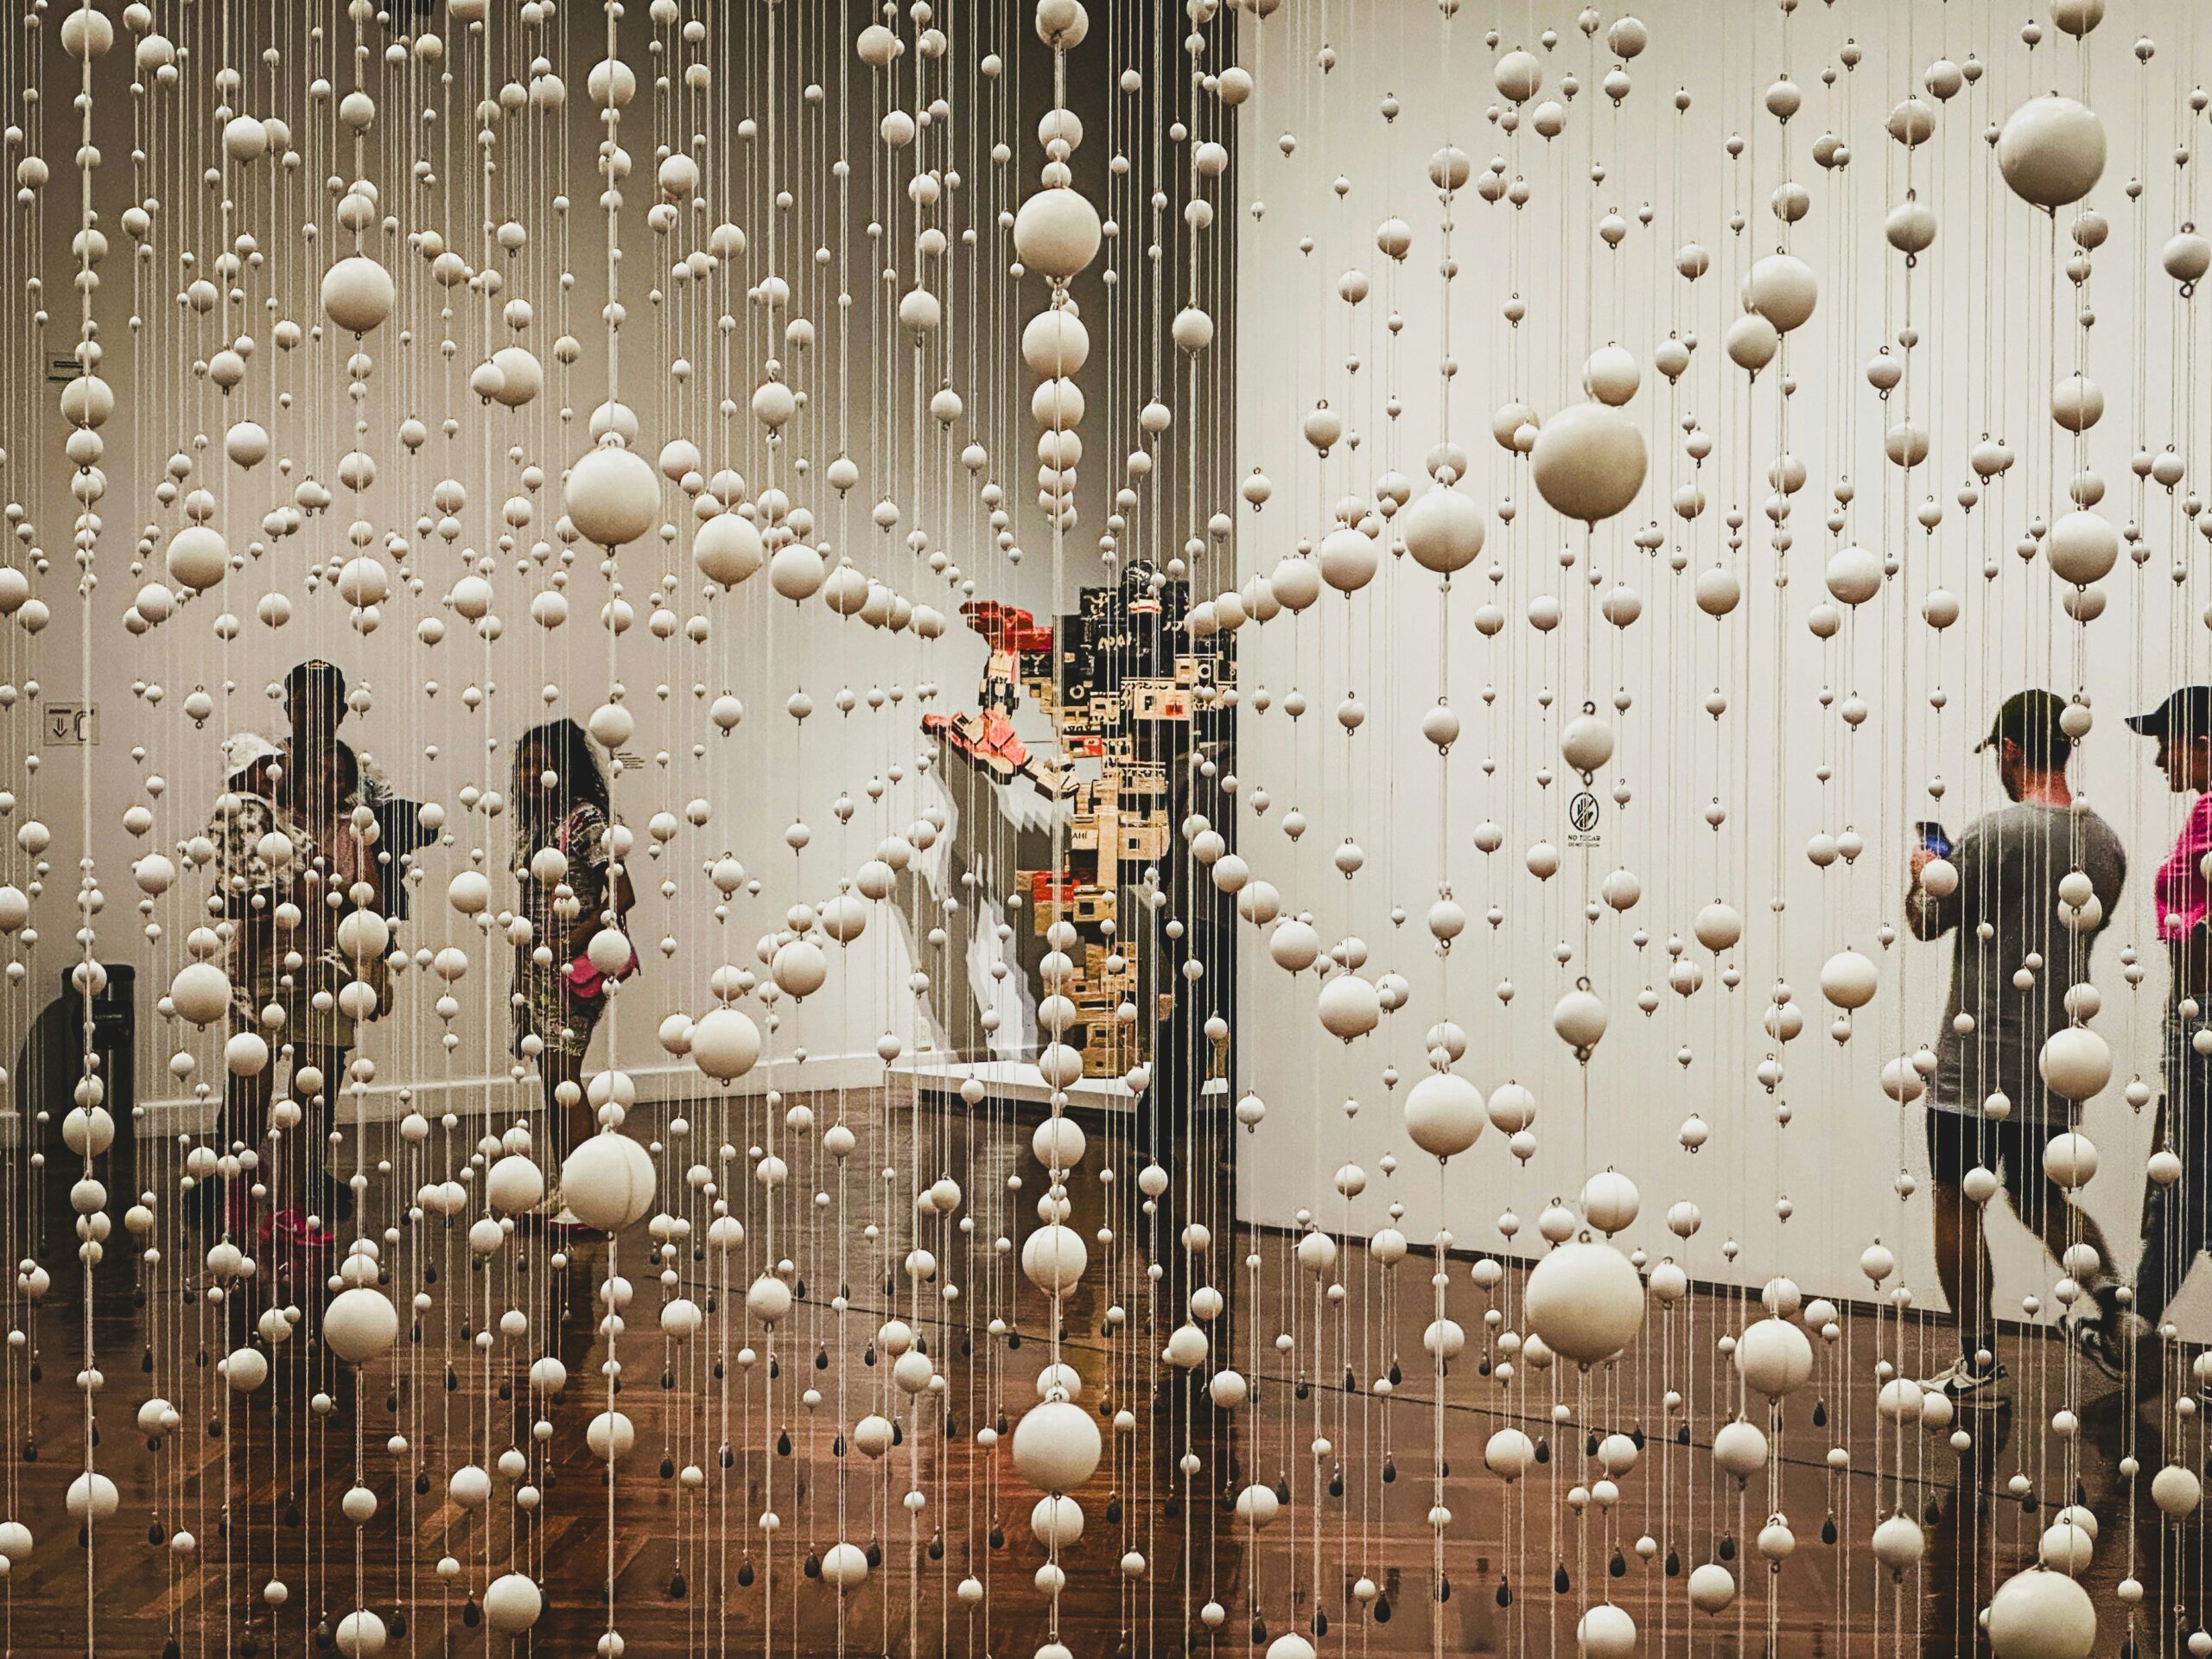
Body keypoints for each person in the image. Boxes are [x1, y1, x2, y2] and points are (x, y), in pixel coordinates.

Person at [1906, 690, 2128, 1403]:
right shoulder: (2105, 843)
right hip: (2060, 1057)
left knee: (1954, 1201)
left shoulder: (1994, 833)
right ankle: (2124, 1318)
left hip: (1975, 1063)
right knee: (2043, 1197)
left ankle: (1977, 1361)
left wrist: (1921, 873)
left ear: (2010, 752)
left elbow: (1926, 921)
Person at [208, 730, 388, 1250]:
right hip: (260, 969)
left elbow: (367, 909)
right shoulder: (256, 816)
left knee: (314, 1094)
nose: (327, 784)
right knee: (248, 1087)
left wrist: (375, 969)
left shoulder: (352, 832)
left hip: (328, 976)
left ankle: (291, 1208)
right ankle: (238, 1196)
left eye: (339, 777)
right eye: (318, 773)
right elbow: (231, 894)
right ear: (292, 773)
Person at [2121, 685, 2212, 1386]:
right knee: (2187, 1171)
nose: (2157, 758)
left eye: (2166, 742)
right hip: (2192, 1015)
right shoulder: (2203, 812)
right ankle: (2134, 1322)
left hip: (2205, 1014)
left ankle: (2134, 1323)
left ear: (2203, 745)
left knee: (2191, 1176)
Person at [511, 719, 636, 1224]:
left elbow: (622, 894)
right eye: (522, 764)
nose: (528, 773)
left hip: (570, 968)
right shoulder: (542, 824)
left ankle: (583, 1191)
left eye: (540, 763)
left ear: (566, 770)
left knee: (564, 1074)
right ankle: (570, 1187)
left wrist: (571, 939)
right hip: (540, 967)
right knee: (555, 1078)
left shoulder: (583, 820)